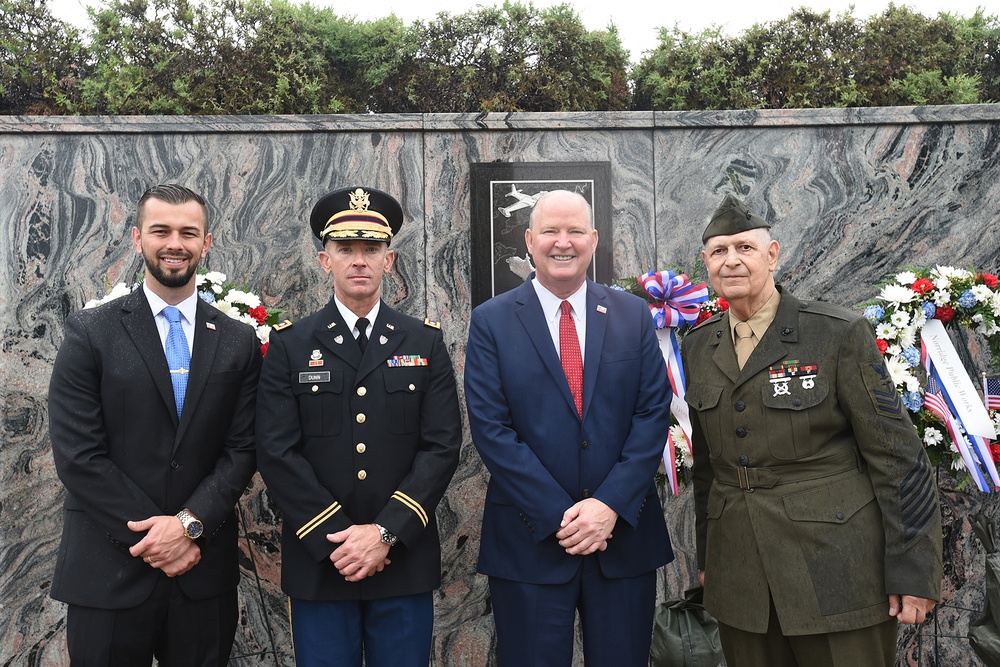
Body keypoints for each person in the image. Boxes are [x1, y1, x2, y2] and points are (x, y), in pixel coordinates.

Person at [682, 193, 943, 667]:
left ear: (773, 253)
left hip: (836, 570)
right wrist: (707, 558)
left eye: (744, 247)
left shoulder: (835, 334)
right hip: (740, 577)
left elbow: (899, 458)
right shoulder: (699, 345)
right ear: (706, 263)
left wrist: (913, 569)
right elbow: (707, 469)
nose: (732, 260)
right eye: (719, 251)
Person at [48, 184, 261, 665]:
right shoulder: (90, 332)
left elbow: (243, 448)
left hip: (201, 573)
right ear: (137, 237)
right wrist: (159, 540)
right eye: (161, 230)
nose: (175, 243)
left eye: (189, 233)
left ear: (207, 244)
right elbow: (79, 456)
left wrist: (187, 527)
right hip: (107, 572)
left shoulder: (237, 340)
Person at [464, 189, 674, 667]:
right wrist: (563, 515)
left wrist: (607, 507)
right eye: (552, 232)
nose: (564, 243)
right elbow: (492, 429)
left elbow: (651, 414)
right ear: (529, 240)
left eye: (575, 231)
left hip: (622, 540)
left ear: (594, 240)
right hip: (530, 543)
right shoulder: (492, 321)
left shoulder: (632, 315)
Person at [255, 186, 462, 667]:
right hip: (321, 561)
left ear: (389, 260)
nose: (359, 261)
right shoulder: (291, 345)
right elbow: (276, 451)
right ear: (324, 261)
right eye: (345, 249)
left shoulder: (424, 342)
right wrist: (338, 537)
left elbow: (441, 446)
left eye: (371, 249)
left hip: (402, 561)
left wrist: (385, 532)